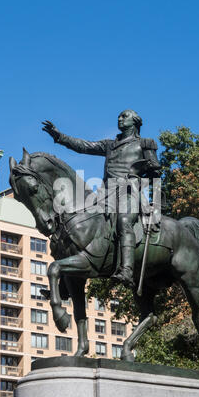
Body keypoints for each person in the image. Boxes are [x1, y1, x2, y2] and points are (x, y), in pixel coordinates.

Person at [42, 109, 161, 287]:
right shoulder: (110, 145)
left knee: (124, 221)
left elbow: (155, 172)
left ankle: (126, 270)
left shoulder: (145, 144)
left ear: (135, 121)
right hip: (106, 194)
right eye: (119, 116)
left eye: (124, 116)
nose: (120, 119)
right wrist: (60, 136)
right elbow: (84, 146)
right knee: (78, 221)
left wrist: (149, 170)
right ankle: (66, 283)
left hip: (130, 192)